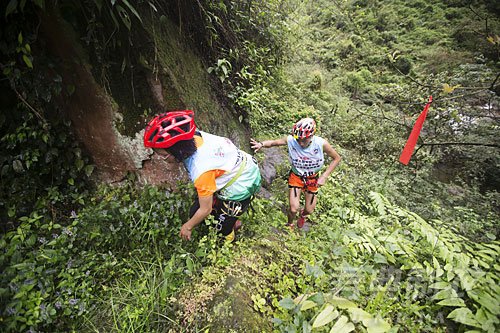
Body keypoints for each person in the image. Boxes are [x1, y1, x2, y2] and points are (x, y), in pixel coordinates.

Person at [144, 110, 261, 242]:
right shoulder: (194, 136)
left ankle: (229, 235)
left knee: (220, 231)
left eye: (163, 156)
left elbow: (205, 209)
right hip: (237, 165)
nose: (162, 159)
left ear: (177, 150)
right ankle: (231, 218)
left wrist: (187, 227)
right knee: (195, 212)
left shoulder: (201, 170)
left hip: (244, 181)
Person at [250, 117, 341, 228]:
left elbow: (336, 158)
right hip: (296, 176)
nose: (301, 143)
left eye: (304, 140)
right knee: (293, 208)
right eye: (299, 140)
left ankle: (303, 215)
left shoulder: (321, 143)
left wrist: (324, 176)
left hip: (312, 178)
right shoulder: (291, 140)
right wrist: (261, 144)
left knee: (309, 210)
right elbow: (275, 142)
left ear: (311, 136)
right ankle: (290, 223)